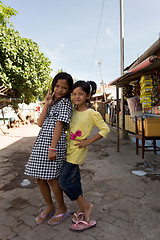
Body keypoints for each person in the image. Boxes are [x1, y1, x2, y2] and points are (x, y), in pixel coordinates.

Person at [58, 80, 110, 231]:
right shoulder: (71, 111)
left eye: (81, 94)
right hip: (67, 150)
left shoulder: (92, 113)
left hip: (77, 152)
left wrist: (88, 141)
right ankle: (81, 208)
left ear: (88, 96)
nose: (76, 97)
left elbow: (105, 130)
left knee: (64, 181)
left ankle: (86, 206)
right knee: (75, 179)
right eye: (74, 94)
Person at [25, 72, 73, 225]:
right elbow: (39, 123)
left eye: (64, 88)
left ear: (69, 90)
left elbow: (59, 125)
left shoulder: (66, 103)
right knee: (39, 177)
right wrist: (46, 103)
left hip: (53, 144)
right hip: (41, 142)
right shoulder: (52, 102)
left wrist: (53, 148)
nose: (59, 90)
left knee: (52, 178)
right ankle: (49, 206)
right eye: (57, 86)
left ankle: (62, 208)